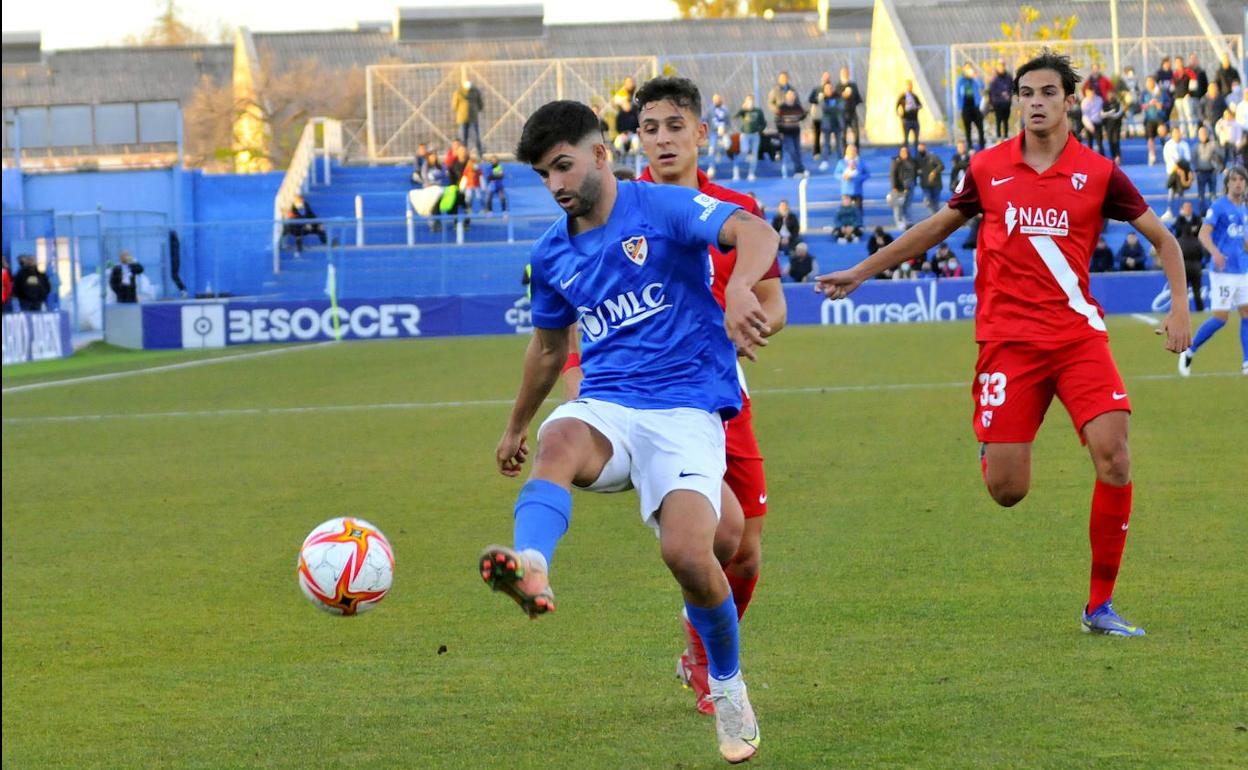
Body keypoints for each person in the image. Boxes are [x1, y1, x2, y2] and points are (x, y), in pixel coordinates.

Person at [815, 50, 1191, 637]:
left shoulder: (1099, 172)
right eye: (1026, 93)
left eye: (1047, 92)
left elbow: (1165, 242)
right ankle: (994, 449)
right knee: (1008, 491)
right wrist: (862, 271)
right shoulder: (988, 167)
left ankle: (1099, 605)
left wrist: (1180, 312)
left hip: (1077, 337)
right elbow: (936, 227)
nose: (1035, 103)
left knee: (1114, 455)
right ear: (1016, 102)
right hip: (1009, 344)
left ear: (1070, 101)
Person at [481, 99, 776, 764]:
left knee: (693, 553)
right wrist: (516, 426)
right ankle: (533, 567)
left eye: (564, 166)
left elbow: (756, 233)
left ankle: (727, 686)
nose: (556, 184)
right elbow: (550, 350)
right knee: (559, 443)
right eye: (543, 175)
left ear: (600, 155)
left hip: (686, 412)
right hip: (610, 407)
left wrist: (738, 290)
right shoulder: (551, 253)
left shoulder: (663, 207)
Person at [631, 77, 788, 721]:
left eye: (675, 126)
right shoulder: (620, 211)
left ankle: (698, 651)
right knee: (712, 542)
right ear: (638, 138)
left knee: (746, 551)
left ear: (701, 133)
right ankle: (719, 670)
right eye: (651, 128)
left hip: (726, 395)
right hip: (653, 406)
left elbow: (774, 304)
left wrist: (749, 312)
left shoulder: (736, 210)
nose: (663, 138)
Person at [1182, 165, 1248, 376]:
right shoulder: (1219, 206)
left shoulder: (1244, 209)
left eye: (1241, 179)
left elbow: (1242, 241)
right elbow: (1203, 234)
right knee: (1221, 318)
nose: (1238, 183)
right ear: (1227, 183)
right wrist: (1215, 253)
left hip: (1242, 270)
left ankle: (1247, 362)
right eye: (1234, 179)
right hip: (1223, 272)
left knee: (1247, 315)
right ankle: (1190, 350)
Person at [1171, 201, 1206, 311]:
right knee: (1197, 292)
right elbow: (1202, 255)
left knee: (1183, 292)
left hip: (1183, 268)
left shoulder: (1179, 243)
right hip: (1196, 268)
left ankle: (1183, 311)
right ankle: (1200, 310)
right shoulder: (1197, 243)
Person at [1161, 124, 1192, 220]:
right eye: (1175, 133)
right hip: (1172, 172)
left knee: (1181, 191)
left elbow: (1187, 158)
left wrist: (1182, 168)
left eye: (1178, 133)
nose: (1177, 135)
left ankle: (1182, 210)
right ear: (1172, 134)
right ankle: (1169, 210)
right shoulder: (1168, 145)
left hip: (1183, 172)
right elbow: (1167, 158)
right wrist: (1176, 168)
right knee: (1171, 191)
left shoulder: (1185, 145)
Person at [775, 89, 807, 177]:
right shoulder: (782, 107)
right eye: (789, 95)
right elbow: (777, 120)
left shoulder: (797, 107)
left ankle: (798, 171)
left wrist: (805, 114)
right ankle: (800, 168)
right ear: (786, 96)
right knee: (792, 151)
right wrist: (780, 131)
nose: (791, 97)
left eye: (793, 95)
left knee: (797, 151)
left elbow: (801, 116)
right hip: (786, 133)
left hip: (796, 132)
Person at [734, 95, 766, 182]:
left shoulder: (758, 111)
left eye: (751, 101)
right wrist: (742, 109)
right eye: (748, 101)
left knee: (754, 155)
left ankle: (751, 174)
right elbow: (735, 116)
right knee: (744, 151)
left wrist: (759, 130)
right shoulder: (744, 111)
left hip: (755, 135)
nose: (750, 103)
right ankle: (736, 170)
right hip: (745, 135)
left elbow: (763, 123)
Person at [834, 143, 869, 220]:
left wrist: (858, 178)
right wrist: (843, 177)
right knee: (845, 210)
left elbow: (867, 174)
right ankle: (846, 225)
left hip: (858, 191)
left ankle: (859, 226)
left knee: (858, 210)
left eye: (854, 150)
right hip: (846, 191)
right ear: (846, 152)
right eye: (850, 150)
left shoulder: (860, 162)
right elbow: (836, 174)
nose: (852, 152)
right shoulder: (842, 162)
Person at [1192, 125, 1223, 211]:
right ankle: (1202, 211)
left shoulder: (1213, 145)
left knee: (1213, 194)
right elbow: (1193, 160)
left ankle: (1214, 212)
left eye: (1205, 133)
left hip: (1211, 172)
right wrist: (1195, 171)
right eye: (1201, 133)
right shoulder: (1196, 147)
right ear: (1198, 135)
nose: (1203, 135)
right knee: (1201, 194)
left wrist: (1218, 167)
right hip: (1201, 172)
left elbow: (1220, 156)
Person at [956, 63, 986, 150]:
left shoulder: (974, 79)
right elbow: (958, 94)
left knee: (980, 126)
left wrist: (976, 77)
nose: (969, 70)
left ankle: (982, 145)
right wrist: (960, 107)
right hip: (965, 107)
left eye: (970, 68)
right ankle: (970, 146)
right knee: (968, 129)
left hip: (975, 106)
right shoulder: (961, 80)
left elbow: (982, 86)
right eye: (967, 68)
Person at [452, 80, 485, 157]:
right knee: (474, 137)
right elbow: (480, 104)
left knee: (464, 138)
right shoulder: (475, 91)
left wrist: (459, 110)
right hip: (471, 117)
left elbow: (454, 105)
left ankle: (464, 155)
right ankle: (479, 154)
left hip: (463, 118)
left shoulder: (459, 92)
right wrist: (477, 109)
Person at [889, 145, 917, 228]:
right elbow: (893, 174)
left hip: (910, 185)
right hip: (899, 186)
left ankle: (908, 221)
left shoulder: (911, 161)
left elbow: (914, 172)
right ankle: (899, 221)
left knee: (908, 204)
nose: (904, 153)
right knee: (898, 205)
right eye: (902, 151)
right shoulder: (896, 161)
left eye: (906, 151)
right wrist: (894, 186)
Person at [836, 66, 863, 150]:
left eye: (846, 73)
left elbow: (858, 98)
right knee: (843, 135)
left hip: (852, 113)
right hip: (842, 114)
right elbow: (836, 100)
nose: (845, 74)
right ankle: (845, 152)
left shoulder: (853, 85)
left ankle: (856, 152)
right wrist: (843, 95)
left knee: (856, 134)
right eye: (844, 73)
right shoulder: (838, 87)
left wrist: (853, 100)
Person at [704, 93, 731, 176]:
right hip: (713, 132)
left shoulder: (725, 109)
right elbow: (705, 120)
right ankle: (711, 167)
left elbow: (728, 123)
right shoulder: (710, 110)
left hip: (723, 132)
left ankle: (719, 152)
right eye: (715, 99)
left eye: (718, 99)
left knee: (728, 145)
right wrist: (707, 132)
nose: (717, 101)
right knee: (711, 150)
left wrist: (724, 130)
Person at [916, 142, 945, 214]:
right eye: (919, 148)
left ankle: (936, 218)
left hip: (936, 184)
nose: (921, 150)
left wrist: (934, 172)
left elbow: (942, 166)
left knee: (935, 203)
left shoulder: (933, 157)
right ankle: (934, 216)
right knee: (928, 202)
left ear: (925, 148)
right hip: (925, 185)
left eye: (922, 148)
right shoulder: (917, 159)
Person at [989, 60, 1014, 141]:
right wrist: (1001, 94)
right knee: (998, 120)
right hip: (997, 102)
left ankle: (1006, 136)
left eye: (1002, 66)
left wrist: (1009, 96)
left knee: (1006, 120)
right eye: (999, 66)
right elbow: (992, 90)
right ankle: (999, 137)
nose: (1001, 68)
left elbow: (1012, 87)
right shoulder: (994, 78)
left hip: (1006, 103)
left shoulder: (1008, 77)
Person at [896, 80, 922, 153]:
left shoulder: (914, 96)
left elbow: (920, 105)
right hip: (906, 120)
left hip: (914, 120)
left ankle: (917, 154)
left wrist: (916, 108)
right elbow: (897, 106)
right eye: (908, 86)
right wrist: (900, 114)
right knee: (906, 139)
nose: (909, 87)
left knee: (916, 139)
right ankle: (906, 154)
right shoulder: (903, 97)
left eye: (910, 86)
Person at [1101, 91, 1125, 164]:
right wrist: (1110, 113)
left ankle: (1117, 157)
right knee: (1110, 142)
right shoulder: (1105, 104)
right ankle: (1113, 157)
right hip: (1108, 127)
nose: (1110, 96)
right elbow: (1102, 115)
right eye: (1109, 95)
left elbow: (1119, 114)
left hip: (1116, 126)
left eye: (1112, 94)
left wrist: (1110, 115)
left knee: (1116, 141)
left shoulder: (1118, 103)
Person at [1081, 84, 1105, 155]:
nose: (1089, 94)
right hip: (1089, 124)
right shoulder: (1084, 102)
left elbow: (1102, 111)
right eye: (1087, 93)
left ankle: (1102, 160)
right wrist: (1090, 126)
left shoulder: (1099, 100)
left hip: (1098, 123)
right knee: (1089, 143)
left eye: (1090, 92)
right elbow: (1085, 116)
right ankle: (1089, 161)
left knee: (1100, 143)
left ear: (1093, 92)